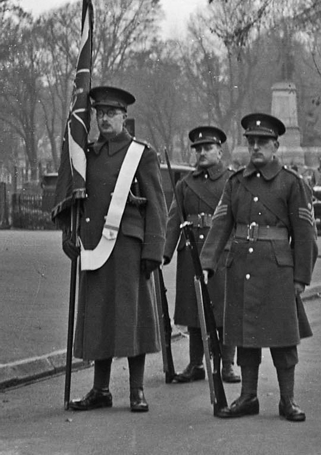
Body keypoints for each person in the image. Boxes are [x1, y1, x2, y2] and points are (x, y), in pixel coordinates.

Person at [200, 113, 317, 419]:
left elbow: (305, 235)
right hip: (241, 266)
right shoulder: (236, 183)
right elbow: (221, 223)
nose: (256, 147)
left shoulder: (291, 183)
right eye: (251, 142)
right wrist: (207, 262)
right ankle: (248, 397)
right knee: (245, 335)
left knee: (283, 339)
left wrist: (301, 276)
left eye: (262, 142)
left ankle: (287, 400)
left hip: (278, 271)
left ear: (276, 145)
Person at [63, 86, 167, 413]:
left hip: (129, 249)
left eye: (111, 113)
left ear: (124, 116)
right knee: (99, 316)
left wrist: (154, 250)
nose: (104, 119)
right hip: (95, 244)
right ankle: (100, 390)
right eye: (100, 113)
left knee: (132, 317)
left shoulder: (141, 153)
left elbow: (158, 207)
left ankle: (136, 390)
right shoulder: (87, 155)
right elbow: (75, 198)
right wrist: (70, 232)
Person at [163, 126, 240, 384]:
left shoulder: (233, 181)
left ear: (220, 151)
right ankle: (196, 364)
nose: (203, 153)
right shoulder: (185, 184)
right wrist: (164, 253)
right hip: (192, 252)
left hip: (222, 252)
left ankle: (227, 364)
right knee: (194, 310)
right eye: (199, 149)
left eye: (208, 148)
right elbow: (175, 219)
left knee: (223, 310)